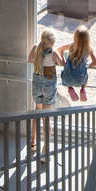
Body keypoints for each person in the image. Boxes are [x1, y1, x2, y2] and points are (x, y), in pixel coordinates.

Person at [28, 28, 64, 160]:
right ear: (52, 43)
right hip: (48, 86)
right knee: (46, 118)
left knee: (37, 112)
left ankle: (33, 141)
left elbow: (29, 59)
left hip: (37, 85)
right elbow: (62, 63)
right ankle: (45, 150)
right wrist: (60, 52)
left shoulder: (35, 48)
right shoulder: (53, 53)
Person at [59, 25, 96, 102]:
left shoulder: (71, 46)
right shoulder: (88, 49)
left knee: (65, 73)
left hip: (67, 79)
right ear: (87, 39)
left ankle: (70, 88)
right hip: (80, 80)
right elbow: (95, 63)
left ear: (75, 37)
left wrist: (63, 61)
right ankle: (83, 89)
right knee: (85, 74)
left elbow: (60, 49)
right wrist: (88, 65)